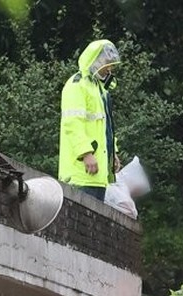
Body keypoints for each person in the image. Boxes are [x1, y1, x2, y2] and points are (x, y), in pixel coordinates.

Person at [58, 39, 121, 200]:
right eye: (108, 64)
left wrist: (113, 155)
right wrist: (86, 153)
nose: (110, 69)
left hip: (96, 175)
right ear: (97, 61)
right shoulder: (77, 85)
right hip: (80, 174)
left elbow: (105, 127)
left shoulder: (99, 89)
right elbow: (72, 123)